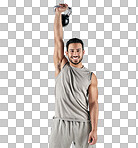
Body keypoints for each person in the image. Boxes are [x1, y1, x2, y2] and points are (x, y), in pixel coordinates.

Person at [49, 3, 99, 148]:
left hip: (83, 124)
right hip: (61, 122)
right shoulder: (61, 66)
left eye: (77, 50)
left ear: (83, 52)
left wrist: (94, 129)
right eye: (71, 51)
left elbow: (93, 103)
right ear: (66, 53)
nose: (75, 53)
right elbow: (58, 39)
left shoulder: (90, 76)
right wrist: (58, 14)